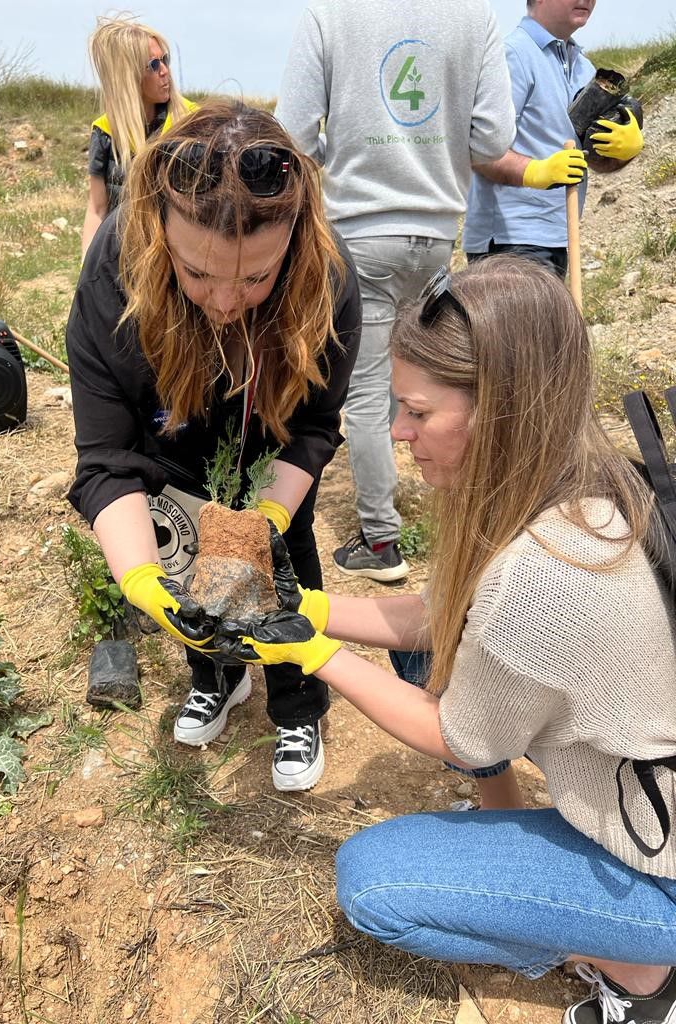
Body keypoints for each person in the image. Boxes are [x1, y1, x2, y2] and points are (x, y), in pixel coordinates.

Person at [215, 258, 676, 1024]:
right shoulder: (581, 480)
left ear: (498, 408)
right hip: (641, 770)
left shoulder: (545, 575)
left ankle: (641, 974)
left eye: (417, 413)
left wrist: (306, 651)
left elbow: (454, 738)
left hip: (662, 863)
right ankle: (521, 843)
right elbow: (441, 616)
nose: (398, 433)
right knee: (427, 658)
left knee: (375, 884)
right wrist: (301, 605)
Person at [66, 102, 361, 792]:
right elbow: (108, 460)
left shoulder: (331, 275)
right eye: (197, 272)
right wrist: (142, 581)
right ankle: (217, 675)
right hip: (171, 430)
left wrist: (269, 519)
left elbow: (316, 425)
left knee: (283, 557)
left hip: (272, 434)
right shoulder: (114, 273)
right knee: (185, 551)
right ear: (159, 229)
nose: (226, 301)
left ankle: (296, 702)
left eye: (257, 277)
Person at [275, 0, 515, 583]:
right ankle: (470, 526)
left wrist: (349, 156)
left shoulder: (329, 15)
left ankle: (380, 542)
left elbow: (293, 134)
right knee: (438, 381)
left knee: (365, 391)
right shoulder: (474, 17)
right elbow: (493, 137)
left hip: (360, 233)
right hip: (435, 233)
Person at [463, 0, 644, 277]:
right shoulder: (513, 56)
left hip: (557, 237)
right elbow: (479, 150)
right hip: (509, 242)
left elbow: (590, 162)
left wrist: (624, 152)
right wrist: (536, 171)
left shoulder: (584, 69)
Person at [80, 15, 197, 259]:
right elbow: (97, 209)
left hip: (178, 264)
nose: (165, 71)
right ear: (128, 76)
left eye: (165, 60)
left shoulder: (193, 122)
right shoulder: (104, 131)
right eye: (153, 65)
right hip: (122, 262)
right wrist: (87, 273)